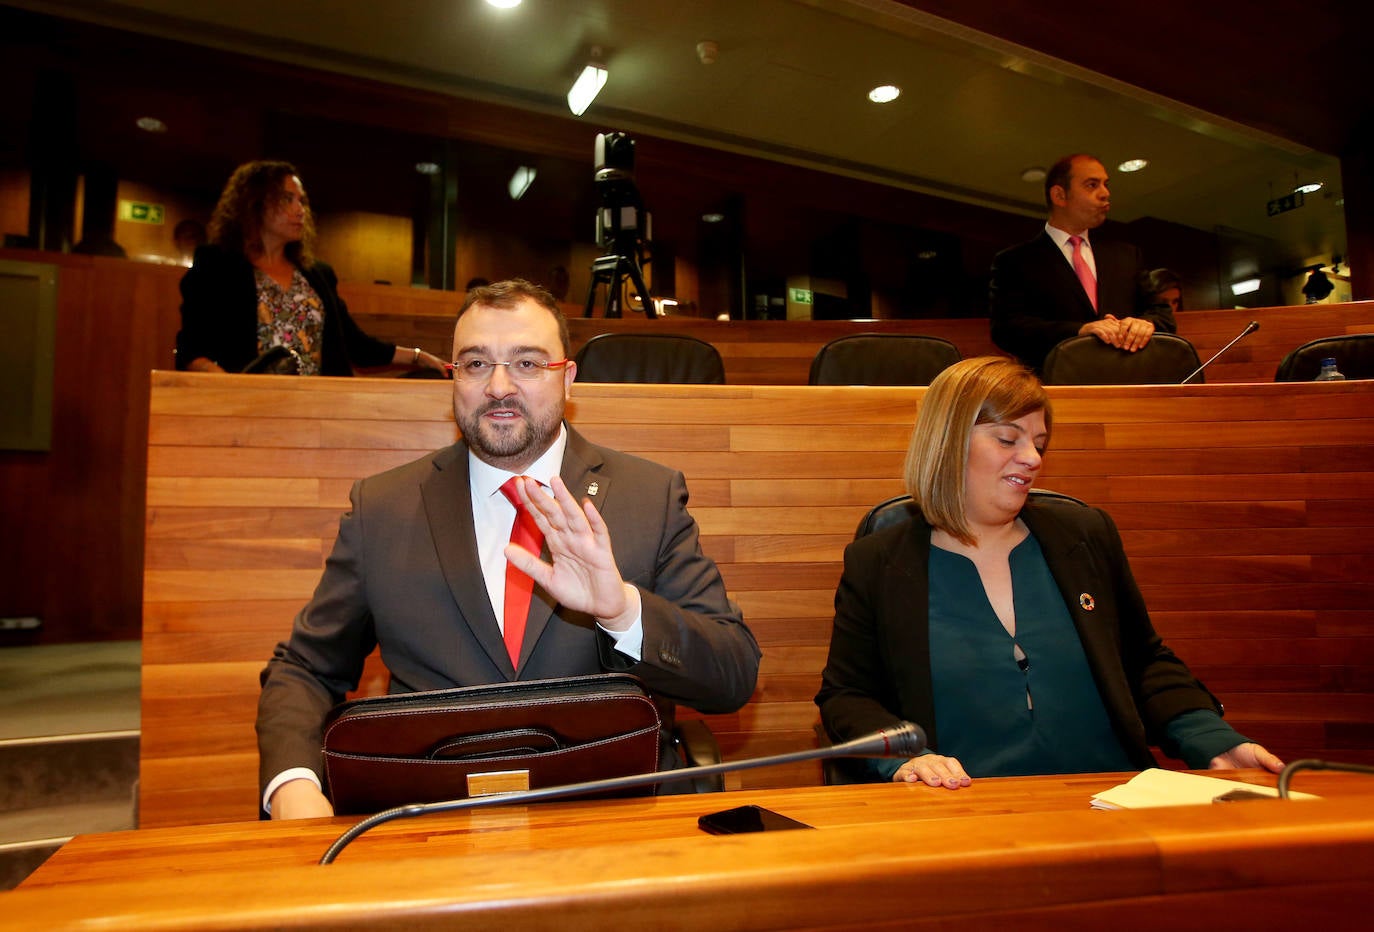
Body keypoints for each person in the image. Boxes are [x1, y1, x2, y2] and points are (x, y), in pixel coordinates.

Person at [256, 279, 760, 819]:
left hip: (610, 830)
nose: (499, 386)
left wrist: (623, 611)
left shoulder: (648, 497)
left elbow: (731, 674)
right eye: (475, 364)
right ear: (453, 378)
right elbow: (304, 669)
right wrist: (294, 785)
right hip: (430, 834)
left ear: (567, 378)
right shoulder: (384, 507)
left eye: (526, 363)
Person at [815, 356, 1282, 789]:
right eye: (1007, 439)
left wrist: (1214, 739)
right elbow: (847, 697)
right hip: (969, 810)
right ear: (947, 442)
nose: (1033, 459)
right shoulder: (878, 562)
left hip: (1118, 798)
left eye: (1039, 444)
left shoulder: (1084, 536)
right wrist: (905, 758)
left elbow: (1144, 662)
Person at [176, 160, 447, 376]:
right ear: (254, 204)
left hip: (318, 410)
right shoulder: (216, 266)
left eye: (301, 201)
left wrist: (419, 357)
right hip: (249, 409)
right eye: (286, 199)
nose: (299, 210)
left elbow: (357, 346)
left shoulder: (317, 274)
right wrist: (228, 388)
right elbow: (192, 350)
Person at [989, 154, 1176, 372]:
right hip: (1056, 385)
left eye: (1106, 184)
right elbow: (1006, 330)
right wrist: (1079, 331)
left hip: (1128, 380)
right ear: (1059, 195)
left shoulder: (1126, 255)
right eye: (1092, 185)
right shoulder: (1015, 261)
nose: (1105, 194)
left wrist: (1145, 324)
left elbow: (1162, 315)